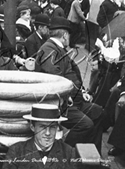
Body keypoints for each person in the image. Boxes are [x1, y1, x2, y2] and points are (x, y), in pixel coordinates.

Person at [36, 17, 104, 152]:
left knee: (99, 113)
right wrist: (69, 95)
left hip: (74, 99)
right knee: (85, 125)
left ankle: (92, 154)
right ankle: (64, 151)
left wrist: (82, 92)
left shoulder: (56, 48)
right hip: (61, 103)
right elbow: (55, 78)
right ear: (65, 35)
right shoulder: (49, 49)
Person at [3, 104, 77, 169]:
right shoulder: (17, 151)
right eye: (43, 127)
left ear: (57, 127)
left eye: (52, 127)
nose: (48, 133)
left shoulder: (69, 153)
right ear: (32, 127)